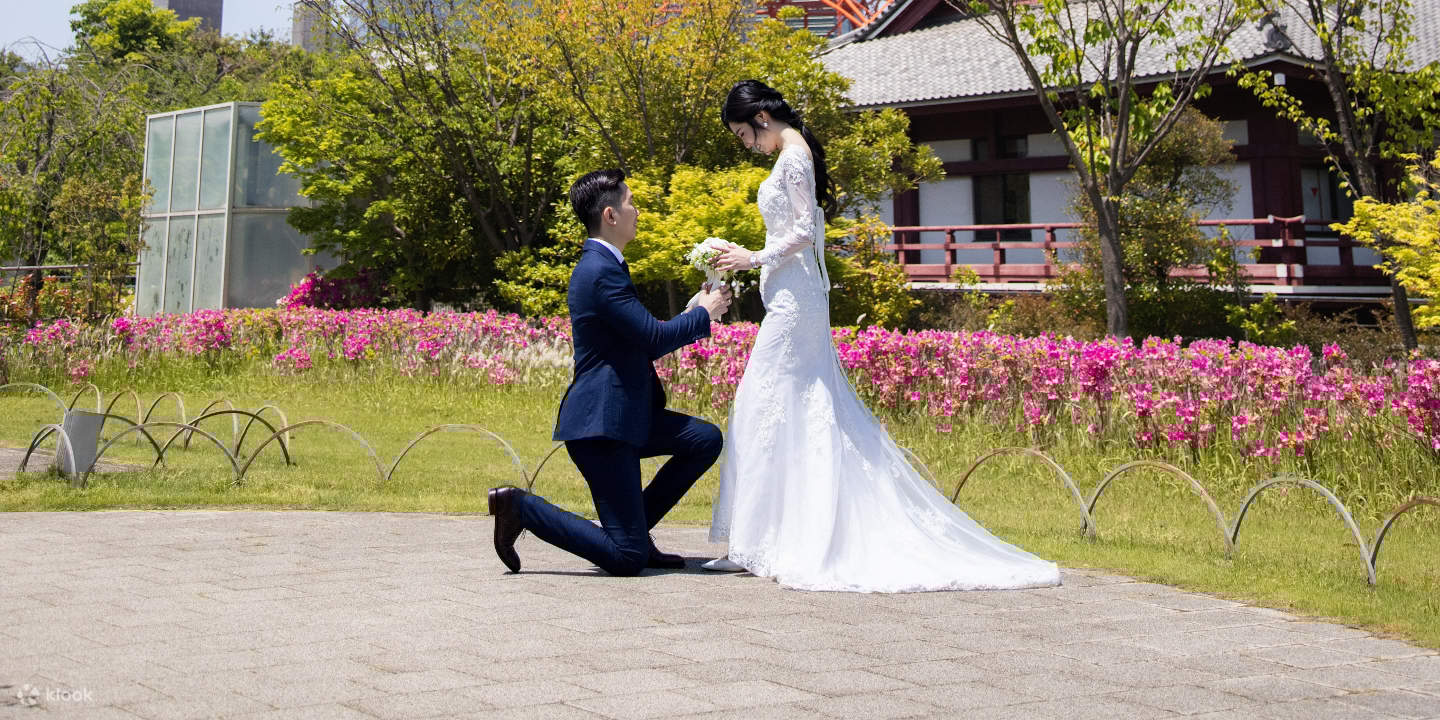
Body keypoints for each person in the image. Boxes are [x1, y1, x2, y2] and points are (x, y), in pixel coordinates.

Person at [703, 80, 1062, 592]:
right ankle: (764, 539)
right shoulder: (792, 154)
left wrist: (754, 257)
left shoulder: (794, 155)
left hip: (796, 300)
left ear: (761, 119)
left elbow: (805, 230)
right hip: (789, 294)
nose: (747, 147)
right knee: (778, 403)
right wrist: (752, 257)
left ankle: (766, 541)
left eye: (743, 136)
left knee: (764, 401)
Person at [488, 169, 732, 576]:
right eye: (630, 202)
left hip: (626, 417)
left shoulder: (606, 266)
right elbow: (653, 339)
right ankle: (520, 506)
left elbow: (638, 338)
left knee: (704, 439)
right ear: (611, 215)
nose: (637, 210)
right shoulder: (600, 271)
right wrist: (703, 316)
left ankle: (636, 529)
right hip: (602, 427)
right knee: (626, 559)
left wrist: (692, 314)